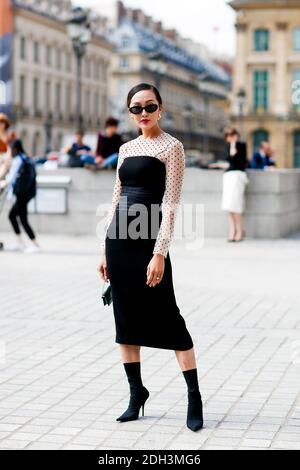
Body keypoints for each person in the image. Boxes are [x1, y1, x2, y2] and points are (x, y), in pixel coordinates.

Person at [97, 83, 203, 432]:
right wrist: (104, 249)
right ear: (130, 112)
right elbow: (116, 198)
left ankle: (194, 396)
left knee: (170, 318)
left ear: (161, 108)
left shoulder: (172, 146)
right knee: (125, 323)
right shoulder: (126, 148)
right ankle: (136, 393)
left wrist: (159, 254)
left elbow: (170, 205)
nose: (143, 113)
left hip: (149, 242)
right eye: (136, 108)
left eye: (149, 106)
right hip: (119, 242)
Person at [0, 139, 41, 253]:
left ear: (15, 149)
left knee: (23, 219)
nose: (9, 152)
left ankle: (35, 244)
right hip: (25, 193)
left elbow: (11, 177)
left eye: (10, 150)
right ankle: (20, 242)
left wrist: (3, 184)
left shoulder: (18, 160)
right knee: (12, 216)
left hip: (21, 194)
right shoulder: (25, 158)